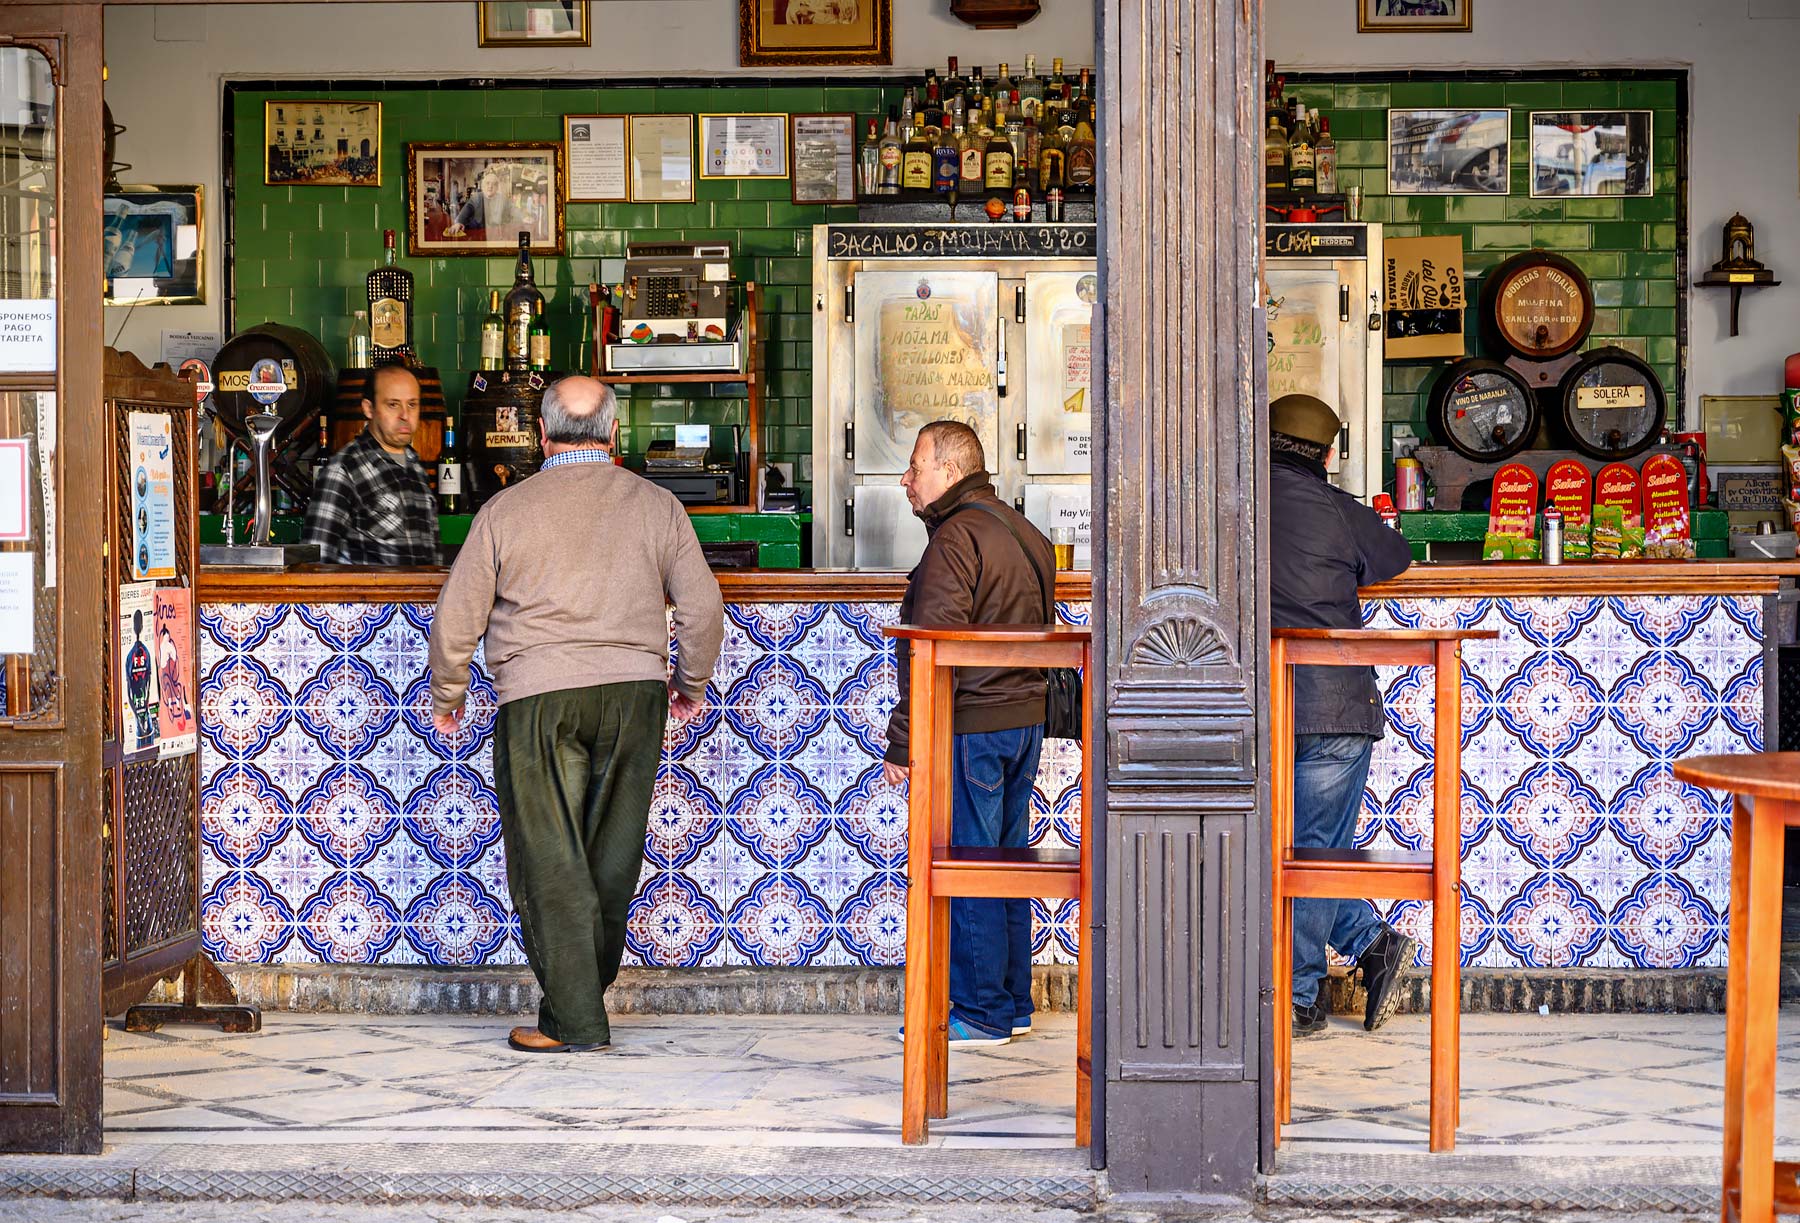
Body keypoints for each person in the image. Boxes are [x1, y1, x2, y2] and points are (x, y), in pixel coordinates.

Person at [429, 376, 722, 1053]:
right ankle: (578, 998)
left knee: (549, 855)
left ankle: (575, 1020)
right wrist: (689, 682)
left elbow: (457, 617)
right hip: (635, 696)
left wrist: (449, 692)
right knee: (611, 852)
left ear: (540, 433)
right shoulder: (659, 505)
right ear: (615, 435)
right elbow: (704, 609)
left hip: (538, 698)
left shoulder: (505, 509)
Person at [882, 420, 1054, 1047]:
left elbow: (932, 649)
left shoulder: (956, 539)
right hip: (1021, 723)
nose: (906, 479)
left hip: (973, 726)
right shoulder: (1020, 528)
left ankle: (980, 1012)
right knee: (1005, 865)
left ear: (950, 472)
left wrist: (905, 741)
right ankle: (1011, 1003)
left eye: (915, 466)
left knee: (972, 866)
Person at [1268, 393, 1419, 1038]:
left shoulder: (1228, 504)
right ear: (1329, 455)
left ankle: (1321, 981)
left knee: (1276, 851)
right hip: (1334, 707)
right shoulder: (1338, 509)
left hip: (1256, 703)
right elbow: (1396, 558)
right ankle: (1325, 980)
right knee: (1315, 853)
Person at [303, 364, 439, 566]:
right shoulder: (343, 470)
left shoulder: (416, 468)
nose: (405, 415)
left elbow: (433, 557)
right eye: (393, 404)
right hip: (369, 597)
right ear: (368, 408)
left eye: (412, 404)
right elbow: (315, 561)